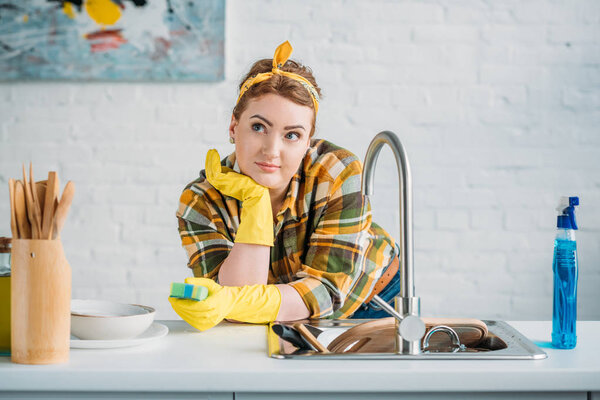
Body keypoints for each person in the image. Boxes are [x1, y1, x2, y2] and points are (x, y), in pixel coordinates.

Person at [169, 41, 400, 331]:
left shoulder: (336, 172)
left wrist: (238, 302)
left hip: (377, 300)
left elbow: (325, 292)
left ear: (308, 142)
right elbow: (236, 310)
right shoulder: (200, 201)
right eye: (258, 127)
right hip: (281, 313)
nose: (271, 150)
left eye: (292, 135)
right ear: (233, 126)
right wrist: (255, 202)